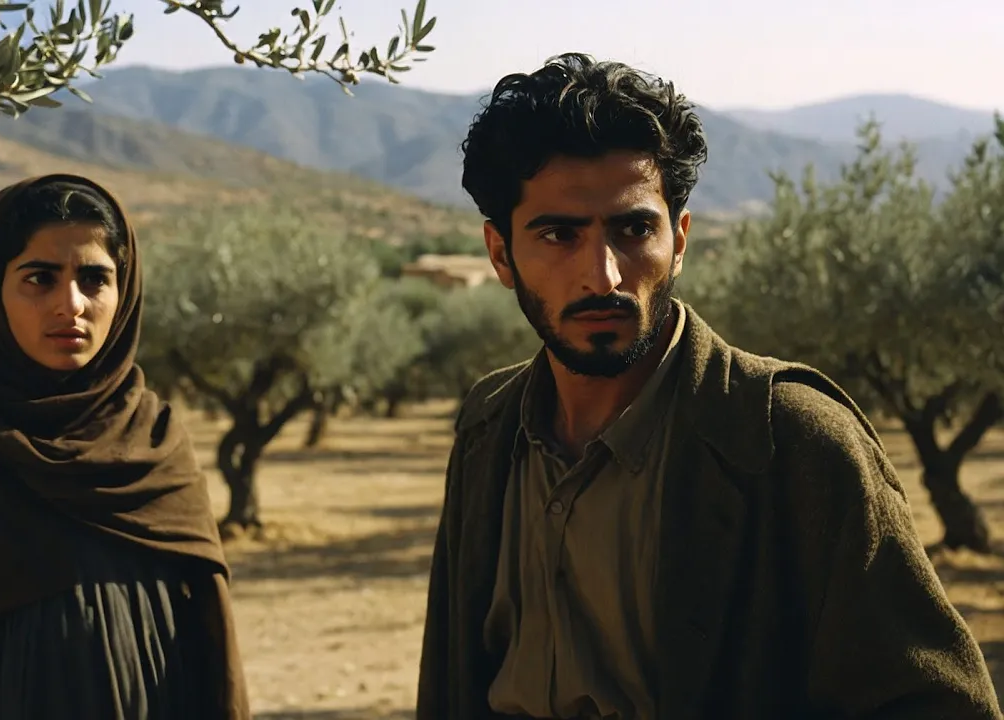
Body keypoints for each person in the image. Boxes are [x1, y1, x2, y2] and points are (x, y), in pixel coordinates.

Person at [415, 53, 1001, 719]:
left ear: (680, 240)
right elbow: (450, 679)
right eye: (558, 235)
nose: (603, 276)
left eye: (634, 229)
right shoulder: (489, 426)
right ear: (500, 254)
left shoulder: (790, 441)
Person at [0, 174, 250, 719]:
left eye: (94, 279)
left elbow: (211, 638)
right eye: (40, 278)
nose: (70, 304)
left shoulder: (155, 435)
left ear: (124, 292)